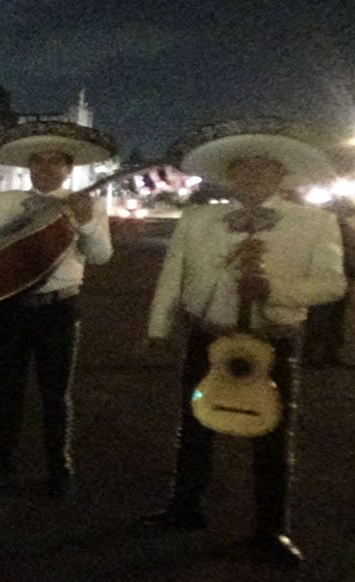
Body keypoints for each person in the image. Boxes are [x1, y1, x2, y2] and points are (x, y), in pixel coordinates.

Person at [142, 119, 345, 567]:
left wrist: (275, 290)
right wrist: (159, 328)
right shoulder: (198, 218)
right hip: (207, 336)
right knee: (195, 424)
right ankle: (185, 507)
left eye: (264, 168)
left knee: (271, 433)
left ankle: (272, 529)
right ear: (231, 176)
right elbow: (171, 275)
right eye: (244, 169)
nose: (253, 176)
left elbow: (332, 286)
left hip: (272, 343)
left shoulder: (316, 223)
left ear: (281, 175)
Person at [0, 121, 116, 498]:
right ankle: (1, 455)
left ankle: (59, 466)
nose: (46, 169)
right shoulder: (2, 202)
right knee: (8, 387)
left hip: (58, 309)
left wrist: (87, 222)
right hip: (10, 306)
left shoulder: (87, 204)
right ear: (28, 167)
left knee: (55, 392)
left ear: (68, 169)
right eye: (38, 162)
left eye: (55, 162)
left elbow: (102, 256)